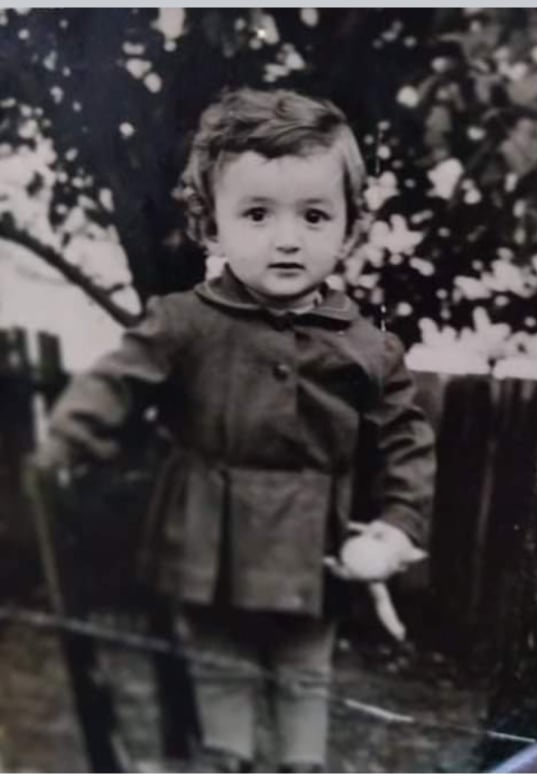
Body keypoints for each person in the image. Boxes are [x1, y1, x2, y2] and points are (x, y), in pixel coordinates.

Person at [33, 87, 435, 772]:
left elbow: (406, 442)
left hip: (312, 552)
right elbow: (118, 379)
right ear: (212, 228)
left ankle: (300, 768)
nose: (288, 239)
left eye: (315, 215)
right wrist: (71, 437)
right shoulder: (183, 323)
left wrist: (397, 526)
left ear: (349, 229)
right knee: (221, 683)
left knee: (304, 681)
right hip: (206, 545)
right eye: (256, 214)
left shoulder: (369, 348)